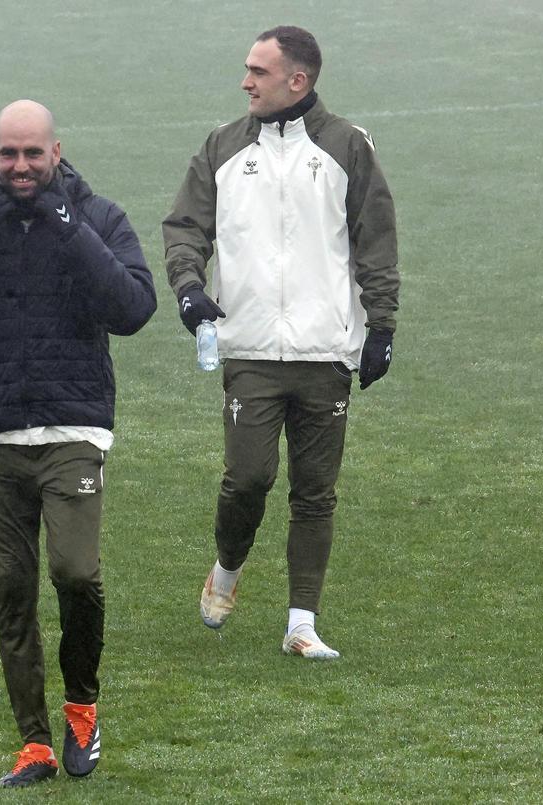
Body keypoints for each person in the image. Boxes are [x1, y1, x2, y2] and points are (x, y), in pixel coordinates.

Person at [0, 100, 156, 787]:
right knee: (12, 587)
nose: (20, 168)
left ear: (56, 152)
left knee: (75, 571)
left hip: (72, 427)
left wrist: (68, 227)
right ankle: (35, 741)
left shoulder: (97, 217)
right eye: (8, 155)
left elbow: (134, 308)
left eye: (32, 155)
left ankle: (81, 705)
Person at [163, 26, 399, 660]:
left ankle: (301, 624)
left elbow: (375, 240)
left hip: (327, 351)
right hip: (251, 352)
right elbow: (185, 227)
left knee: (315, 491)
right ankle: (227, 573)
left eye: (258, 72)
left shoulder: (348, 146)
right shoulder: (221, 146)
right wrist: (188, 287)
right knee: (248, 478)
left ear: (298, 80)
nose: (246, 82)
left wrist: (383, 327)